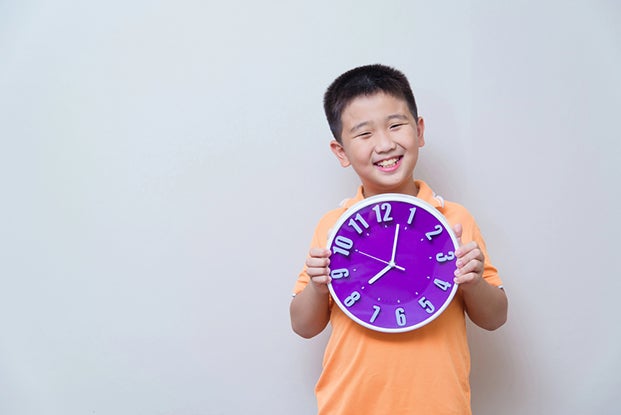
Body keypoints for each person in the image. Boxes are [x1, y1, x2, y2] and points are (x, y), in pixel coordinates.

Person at [289, 64, 508, 415]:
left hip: (440, 406)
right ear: (341, 151)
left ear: (419, 131)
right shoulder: (334, 227)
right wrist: (317, 287)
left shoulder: (454, 220)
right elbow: (303, 325)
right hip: (349, 406)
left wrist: (473, 281)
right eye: (364, 134)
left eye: (396, 125)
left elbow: (496, 316)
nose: (385, 144)